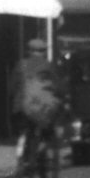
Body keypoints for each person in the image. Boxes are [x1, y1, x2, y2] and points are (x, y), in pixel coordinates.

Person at [9, 35, 64, 169]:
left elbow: (11, 86)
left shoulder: (21, 64)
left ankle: (25, 154)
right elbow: (58, 85)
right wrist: (61, 94)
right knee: (47, 127)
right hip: (41, 108)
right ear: (43, 52)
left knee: (24, 127)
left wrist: (14, 96)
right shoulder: (47, 66)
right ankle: (42, 149)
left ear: (29, 51)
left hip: (22, 107)